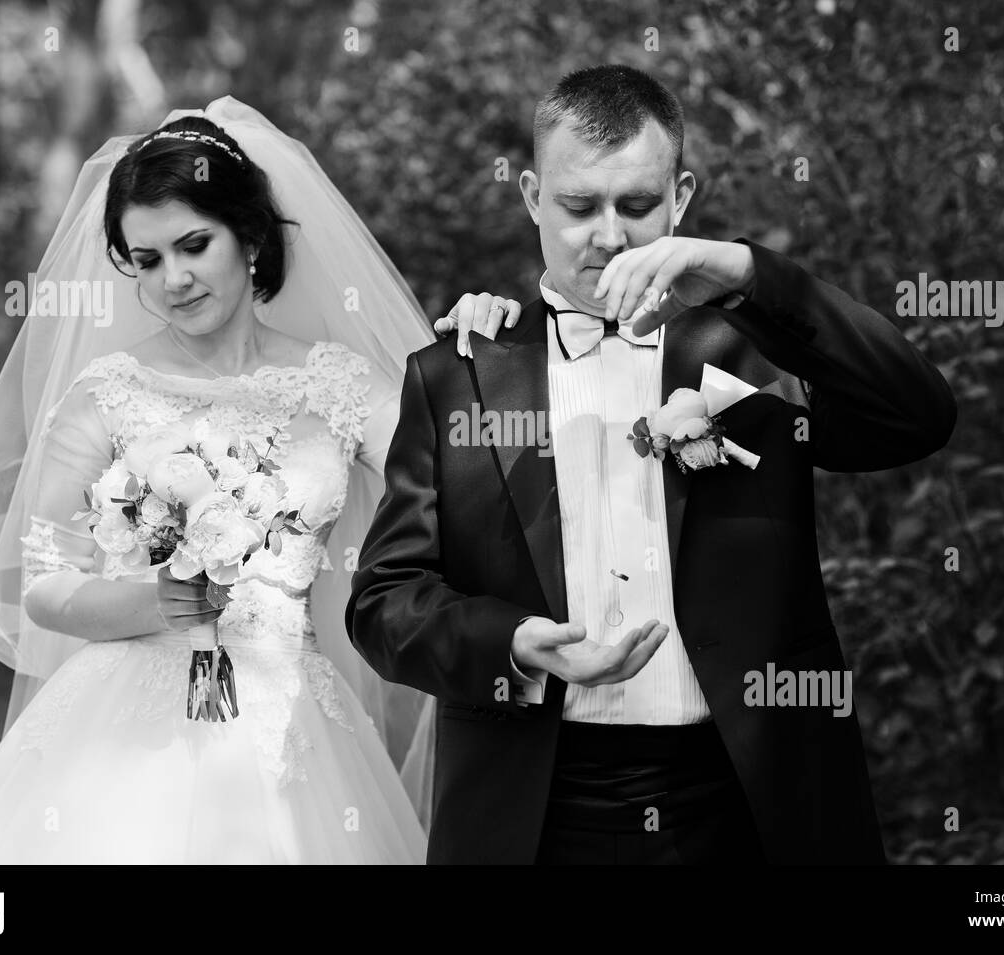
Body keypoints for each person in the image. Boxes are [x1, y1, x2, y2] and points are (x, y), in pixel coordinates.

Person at [346, 65, 958, 864]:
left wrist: (747, 275)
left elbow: (917, 417)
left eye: (637, 205)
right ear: (531, 196)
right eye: (578, 206)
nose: (609, 235)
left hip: (749, 805)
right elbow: (384, 600)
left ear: (681, 197)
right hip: (530, 812)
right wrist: (515, 641)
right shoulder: (456, 373)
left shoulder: (753, 354)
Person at [0, 97, 515, 863]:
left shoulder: (338, 383)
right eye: (148, 259)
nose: (174, 278)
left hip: (289, 714)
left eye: (194, 244)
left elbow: (468, 489)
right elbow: (44, 584)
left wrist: (485, 361)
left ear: (251, 235)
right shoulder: (107, 393)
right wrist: (157, 601)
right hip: (122, 725)